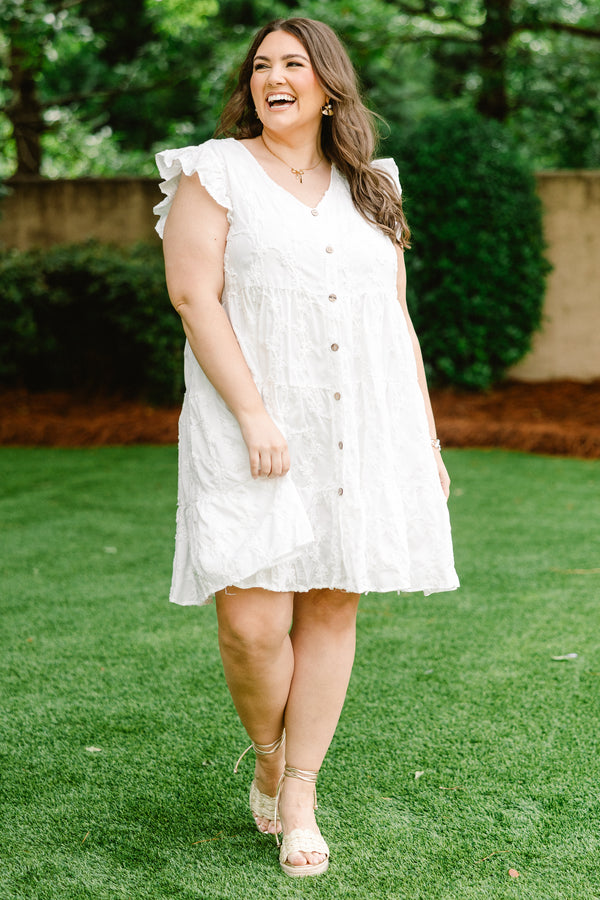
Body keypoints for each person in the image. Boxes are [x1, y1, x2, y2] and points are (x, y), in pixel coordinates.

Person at [154, 16, 459, 878]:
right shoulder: (212, 172)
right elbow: (193, 297)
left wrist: (426, 438)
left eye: (293, 63)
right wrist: (254, 416)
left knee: (331, 606)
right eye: (261, 65)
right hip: (247, 422)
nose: (273, 77)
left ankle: (299, 793)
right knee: (252, 627)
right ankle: (266, 753)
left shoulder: (373, 185)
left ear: (329, 86)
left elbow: (394, 317)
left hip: (359, 425)